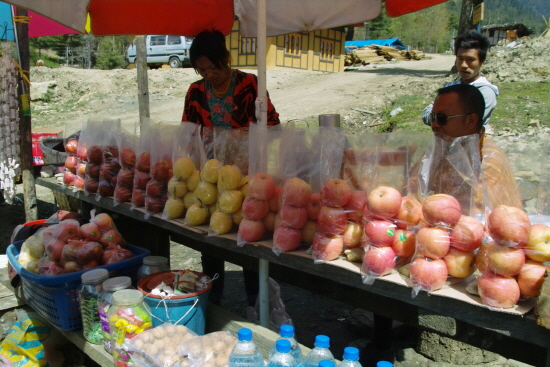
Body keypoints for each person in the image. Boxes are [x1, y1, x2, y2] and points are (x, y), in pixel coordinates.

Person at [182, 29, 280, 306]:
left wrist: (250, 139)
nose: (207, 75)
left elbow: (273, 124)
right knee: (211, 236)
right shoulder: (196, 91)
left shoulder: (249, 84)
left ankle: (253, 301)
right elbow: (188, 132)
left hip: (246, 175)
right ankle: (214, 299)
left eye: (211, 67)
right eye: (201, 70)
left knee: (247, 235)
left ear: (224, 58)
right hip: (210, 176)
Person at [422, 30, 499, 128]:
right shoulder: (450, 87)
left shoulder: (485, 92)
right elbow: (426, 113)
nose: (463, 65)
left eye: (470, 59)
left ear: (482, 61)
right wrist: (446, 117)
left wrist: (439, 116)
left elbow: (464, 125)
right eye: (460, 58)